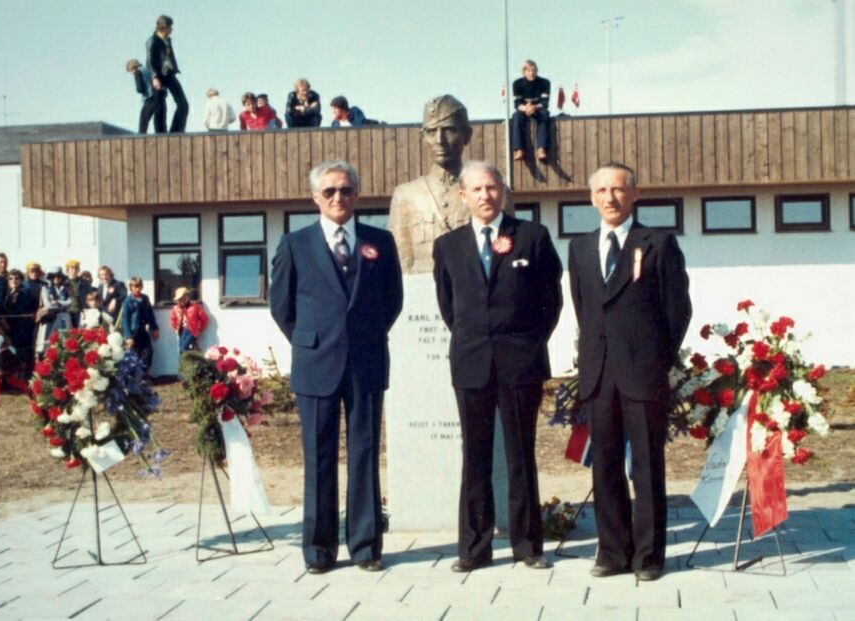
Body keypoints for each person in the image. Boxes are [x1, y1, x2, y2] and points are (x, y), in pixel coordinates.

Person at [269, 160, 403, 574]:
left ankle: (365, 547)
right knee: (318, 456)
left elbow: (392, 301)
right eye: (329, 192)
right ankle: (319, 550)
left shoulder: (380, 241)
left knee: (364, 454)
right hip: (316, 363)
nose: (338, 198)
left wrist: (362, 335)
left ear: (357, 194)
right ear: (315, 198)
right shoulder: (296, 244)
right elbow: (282, 307)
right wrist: (312, 341)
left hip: (365, 362)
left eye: (345, 190)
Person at [432, 162, 563, 571]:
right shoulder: (448, 245)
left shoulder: (533, 236)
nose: (485, 195)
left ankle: (528, 547)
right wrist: (478, 338)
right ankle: (473, 549)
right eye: (476, 189)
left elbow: (550, 302)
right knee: (475, 456)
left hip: (520, 362)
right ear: (463, 195)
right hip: (471, 363)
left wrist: (524, 340)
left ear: (503, 191)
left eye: (492, 187)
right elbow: (448, 305)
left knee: (521, 454)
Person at [568, 162, 692, 582]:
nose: (610, 198)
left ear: (634, 194)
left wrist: (656, 358)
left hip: (643, 375)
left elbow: (677, 310)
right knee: (604, 465)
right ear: (591, 197)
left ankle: (649, 555)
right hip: (599, 375)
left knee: (646, 467)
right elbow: (585, 308)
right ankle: (612, 551)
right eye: (601, 190)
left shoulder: (657, 243)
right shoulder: (581, 247)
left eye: (618, 190)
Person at [389, 95, 513, 274]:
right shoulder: (405, 196)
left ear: (467, 135)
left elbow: (505, 254)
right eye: (431, 132)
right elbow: (401, 261)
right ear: (423, 137)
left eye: (448, 130)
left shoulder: (495, 192)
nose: (440, 140)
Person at [146, 14, 189, 133]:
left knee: (183, 104)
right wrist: (154, 77)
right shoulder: (152, 41)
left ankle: (176, 131)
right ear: (163, 27)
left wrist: (174, 69)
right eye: (170, 27)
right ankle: (161, 134)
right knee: (160, 107)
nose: (172, 30)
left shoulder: (167, 40)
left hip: (169, 74)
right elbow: (150, 61)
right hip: (158, 75)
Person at [0, 268, 38, 379]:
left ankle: (23, 379)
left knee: (22, 352)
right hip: (11, 326)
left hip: (22, 327)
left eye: (16, 278)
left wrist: (6, 318)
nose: (13, 281)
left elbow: (18, 309)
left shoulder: (24, 292)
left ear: (21, 280)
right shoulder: (8, 293)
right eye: (10, 278)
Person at [510, 59, 551, 163]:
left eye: (533, 70)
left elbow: (545, 102)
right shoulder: (517, 83)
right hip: (523, 110)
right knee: (516, 116)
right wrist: (526, 108)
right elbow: (517, 103)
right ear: (524, 71)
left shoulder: (545, 83)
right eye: (528, 70)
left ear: (537, 71)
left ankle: (541, 149)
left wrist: (534, 107)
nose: (531, 73)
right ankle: (519, 149)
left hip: (538, 108)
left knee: (545, 115)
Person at [120, 277, 159, 372]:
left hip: (144, 331)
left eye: (139, 286)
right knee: (135, 355)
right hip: (134, 332)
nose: (137, 289)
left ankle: (144, 376)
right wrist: (128, 336)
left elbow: (150, 314)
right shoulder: (127, 302)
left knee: (148, 352)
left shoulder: (145, 298)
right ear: (131, 288)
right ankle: (136, 378)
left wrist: (154, 328)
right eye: (134, 287)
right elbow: (125, 320)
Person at [127, 58, 167, 134]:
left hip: (150, 98)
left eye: (130, 72)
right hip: (160, 96)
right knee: (160, 125)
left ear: (132, 68)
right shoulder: (147, 69)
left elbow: (140, 89)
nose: (132, 74)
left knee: (143, 122)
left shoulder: (138, 72)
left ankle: (140, 142)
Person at [169, 287, 208, 352]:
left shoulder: (195, 307)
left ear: (188, 297)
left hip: (192, 331)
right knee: (182, 350)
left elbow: (204, 319)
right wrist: (176, 328)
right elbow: (173, 319)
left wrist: (199, 329)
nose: (182, 300)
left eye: (184, 297)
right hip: (181, 331)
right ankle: (185, 361)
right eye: (180, 298)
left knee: (183, 349)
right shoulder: (176, 308)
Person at [65, 259, 92, 327]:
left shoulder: (84, 283)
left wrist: (86, 310)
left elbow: (89, 298)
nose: (74, 270)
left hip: (80, 312)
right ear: (67, 269)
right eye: (72, 267)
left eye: (76, 268)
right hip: (67, 312)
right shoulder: (63, 282)